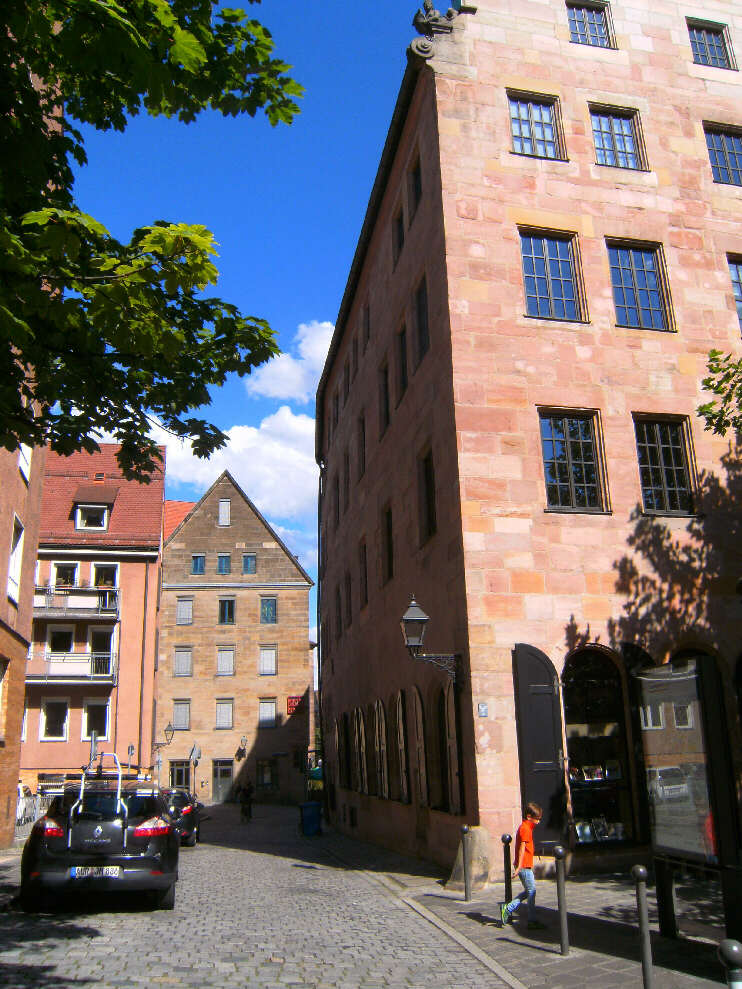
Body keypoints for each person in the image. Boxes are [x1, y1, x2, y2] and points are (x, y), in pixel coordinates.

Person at [501, 802, 547, 930]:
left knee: (529, 892)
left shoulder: (525, 827)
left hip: (525, 866)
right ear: (528, 816)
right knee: (531, 892)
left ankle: (509, 908)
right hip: (524, 867)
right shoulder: (525, 829)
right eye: (536, 818)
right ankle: (529, 919)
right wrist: (519, 867)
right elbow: (521, 849)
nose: (538, 821)